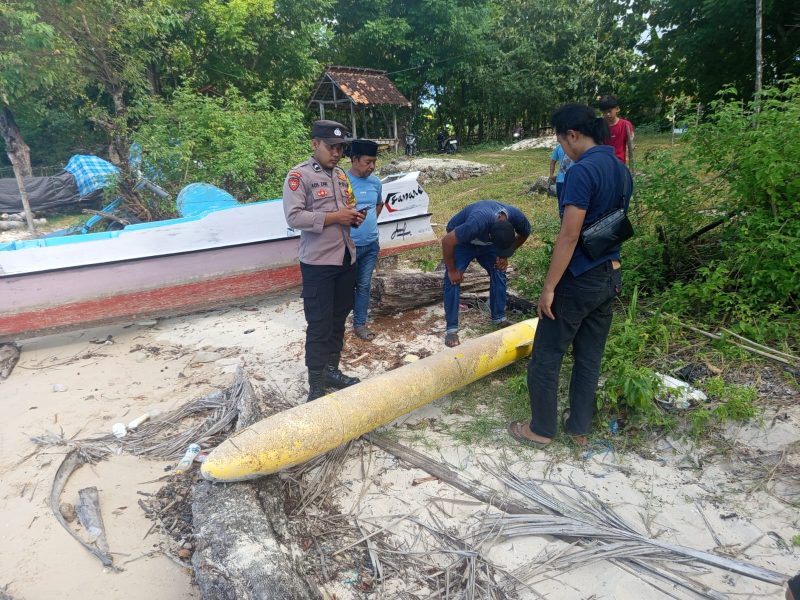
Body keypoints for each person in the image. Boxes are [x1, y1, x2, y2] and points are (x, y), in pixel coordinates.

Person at [507, 103, 632, 448]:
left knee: (547, 354)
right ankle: (579, 428)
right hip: (611, 275)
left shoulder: (580, 172)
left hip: (578, 278)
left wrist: (549, 287)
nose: (562, 149)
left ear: (573, 136)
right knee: (589, 357)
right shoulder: (621, 170)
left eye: (561, 142)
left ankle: (541, 430)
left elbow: (570, 234)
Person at [282, 120, 365, 402]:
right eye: (332, 147)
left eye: (341, 147)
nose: (337, 153)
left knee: (339, 319)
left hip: (345, 257)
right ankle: (316, 383)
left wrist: (353, 217)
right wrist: (334, 218)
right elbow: (293, 217)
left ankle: (331, 369)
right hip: (318, 263)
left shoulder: (341, 176)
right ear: (315, 144)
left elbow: (347, 209)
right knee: (319, 323)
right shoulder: (299, 176)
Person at [441, 200, 531, 347]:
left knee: (499, 269)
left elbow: (525, 233)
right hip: (464, 242)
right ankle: (452, 329)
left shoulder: (517, 217)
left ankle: (499, 318)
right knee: (453, 279)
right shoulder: (476, 223)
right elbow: (447, 241)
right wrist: (452, 270)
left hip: (488, 245)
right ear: (489, 234)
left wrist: (504, 255)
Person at [347, 139, 383, 341]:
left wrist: (368, 226)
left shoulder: (375, 182)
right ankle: (336, 324)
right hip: (347, 247)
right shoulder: (342, 182)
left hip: (370, 245)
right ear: (354, 159)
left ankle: (360, 324)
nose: (372, 166)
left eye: (374, 162)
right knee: (344, 287)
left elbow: (378, 205)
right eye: (368, 162)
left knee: (363, 285)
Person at [598, 95, 635, 168]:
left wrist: (628, 165)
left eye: (609, 111)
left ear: (617, 109)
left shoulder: (626, 125)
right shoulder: (600, 126)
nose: (607, 114)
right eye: (604, 112)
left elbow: (630, 146)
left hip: (621, 163)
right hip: (604, 163)